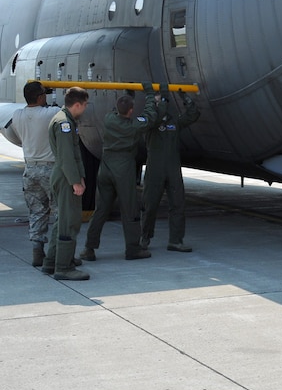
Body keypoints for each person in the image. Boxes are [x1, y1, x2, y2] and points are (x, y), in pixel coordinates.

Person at [82, 86, 160, 261]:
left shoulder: (109, 119)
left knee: (101, 210)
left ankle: (89, 248)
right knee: (130, 209)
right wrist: (149, 96)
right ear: (131, 111)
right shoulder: (133, 126)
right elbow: (149, 117)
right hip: (123, 169)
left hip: (106, 168)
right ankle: (133, 249)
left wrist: (128, 94)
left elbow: (117, 109)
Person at [4, 82, 61, 267]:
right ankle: (58, 252)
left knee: (37, 212)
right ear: (40, 97)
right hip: (49, 169)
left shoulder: (17, 115)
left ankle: (38, 250)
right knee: (60, 212)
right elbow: (66, 112)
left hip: (30, 170)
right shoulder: (50, 113)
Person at [140, 87, 200, 252]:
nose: (160, 102)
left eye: (161, 99)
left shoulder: (174, 122)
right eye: (158, 100)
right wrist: (155, 99)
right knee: (150, 205)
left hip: (172, 168)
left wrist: (184, 97)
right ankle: (144, 237)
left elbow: (193, 114)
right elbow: (155, 118)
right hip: (155, 169)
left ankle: (176, 240)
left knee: (178, 204)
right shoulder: (150, 121)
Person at [44, 87, 91, 280]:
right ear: (78, 104)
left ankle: (52, 261)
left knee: (62, 221)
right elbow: (66, 157)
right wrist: (75, 181)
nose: (86, 108)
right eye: (85, 105)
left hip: (64, 176)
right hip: (66, 178)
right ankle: (63, 267)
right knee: (69, 223)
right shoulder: (64, 124)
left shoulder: (65, 120)